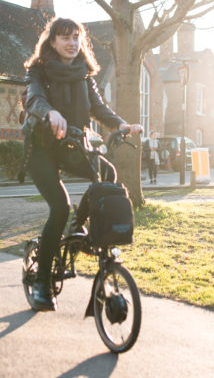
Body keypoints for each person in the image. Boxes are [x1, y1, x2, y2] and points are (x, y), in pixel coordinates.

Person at [21, 17, 142, 311]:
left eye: (76, 37)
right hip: (42, 150)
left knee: (108, 175)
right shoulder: (39, 72)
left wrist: (120, 124)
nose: (72, 43)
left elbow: (98, 107)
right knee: (59, 208)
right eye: (65, 38)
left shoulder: (83, 75)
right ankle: (41, 284)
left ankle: (77, 229)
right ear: (52, 42)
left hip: (72, 145)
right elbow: (34, 99)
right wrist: (49, 113)